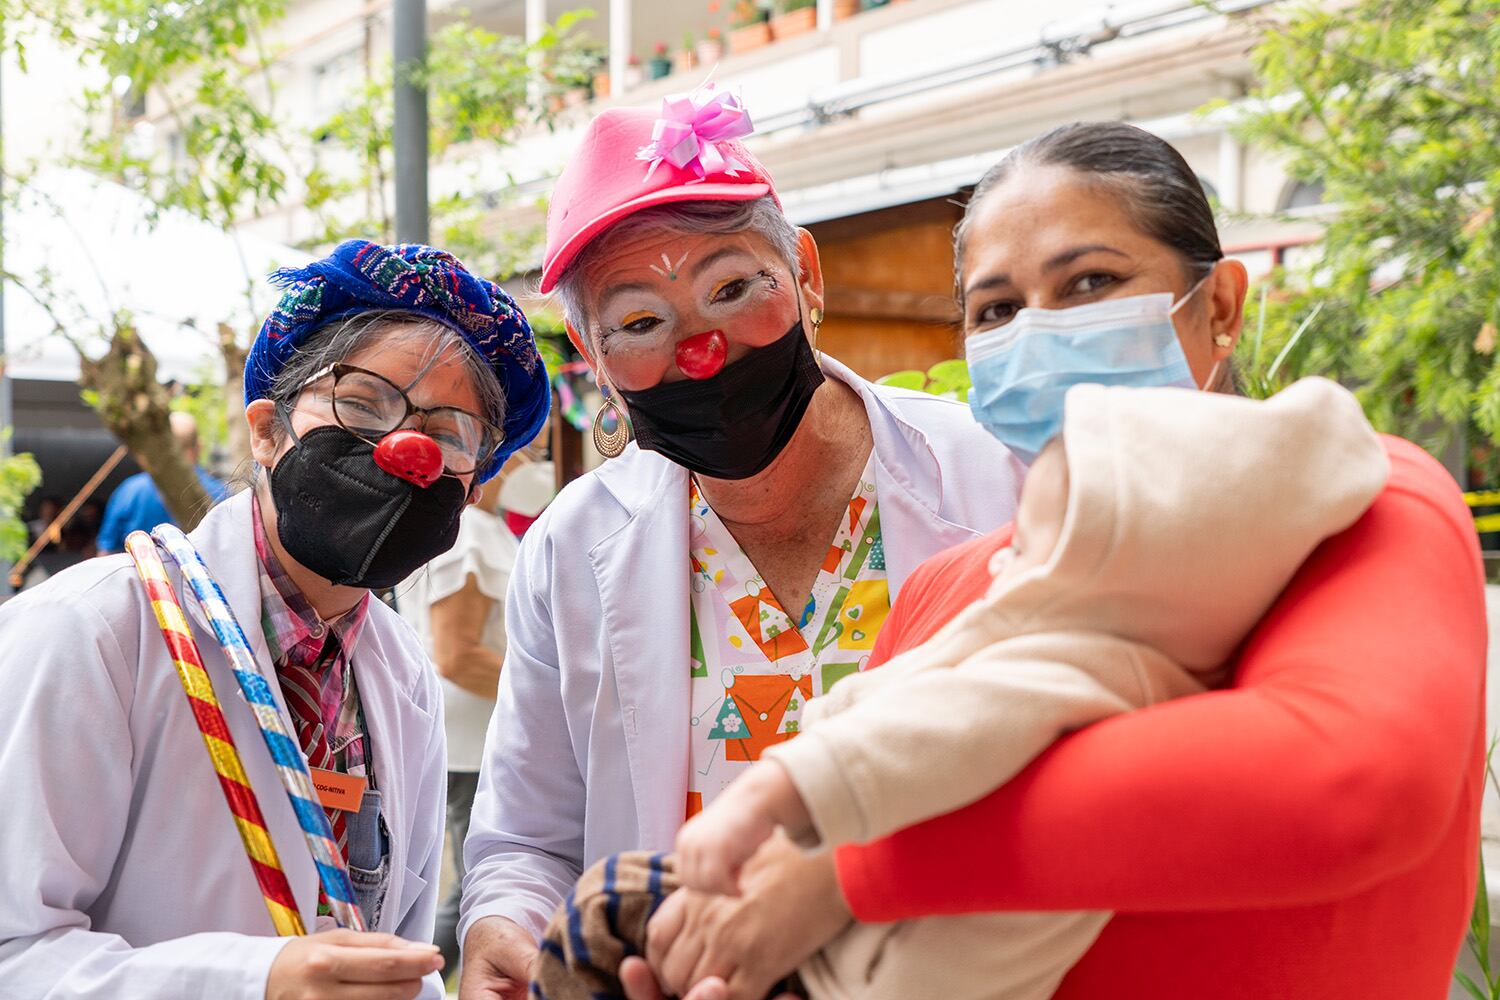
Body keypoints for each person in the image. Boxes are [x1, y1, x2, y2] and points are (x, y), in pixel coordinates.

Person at [623, 122, 1487, 1000]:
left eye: (1092, 283)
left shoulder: (1356, 502)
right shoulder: (940, 595)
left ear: (1220, 307)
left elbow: (1348, 790)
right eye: (996, 310)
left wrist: (849, 866)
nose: (1040, 334)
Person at [458, 86, 1023, 1000]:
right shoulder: (572, 548)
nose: (702, 352)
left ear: (805, 274)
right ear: (593, 360)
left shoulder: (998, 476)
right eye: (640, 322)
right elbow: (528, 838)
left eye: (732, 286)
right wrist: (504, 925)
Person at [0, 239, 550, 999]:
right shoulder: (93, 632)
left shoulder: (401, 676)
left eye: (451, 435)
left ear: (470, 492)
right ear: (266, 430)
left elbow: (395, 946)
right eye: (363, 402)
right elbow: (14, 953)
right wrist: (256, 982)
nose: (408, 448)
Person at [398, 470, 520, 980]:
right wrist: (549, 692)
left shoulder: (481, 528)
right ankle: (406, 980)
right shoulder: (468, 532)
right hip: (471, 741)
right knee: (474, 884)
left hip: (476, 736)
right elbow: (456, 653)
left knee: (469, 880)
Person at [95, 411, 231, 553]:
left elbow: (106, 551)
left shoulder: (130, 491)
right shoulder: (222, 494)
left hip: (141, 573)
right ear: (199, 446)